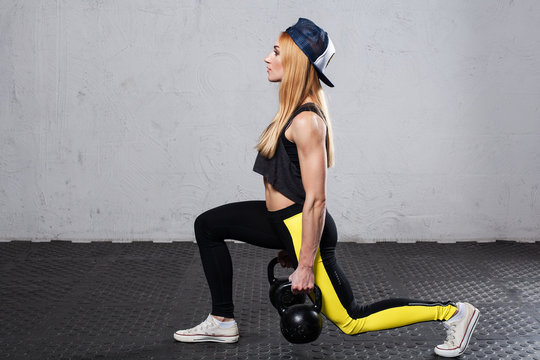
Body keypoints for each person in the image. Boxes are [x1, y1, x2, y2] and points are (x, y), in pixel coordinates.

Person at [173, 18, 479, 358]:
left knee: (350, 319)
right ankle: (222, 320)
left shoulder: (307, 121)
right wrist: (288, 244)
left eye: (276, 52)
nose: (266, 58)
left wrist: (305, 262)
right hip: (282, 222)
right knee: (208, 225)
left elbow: (316, 200)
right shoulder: (289, 111)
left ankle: (452, 312)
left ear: (295, 62)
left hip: (301, 222)